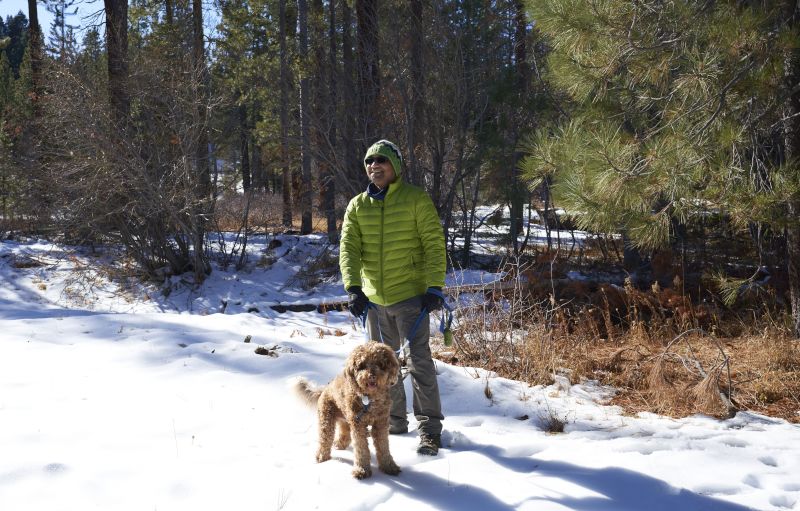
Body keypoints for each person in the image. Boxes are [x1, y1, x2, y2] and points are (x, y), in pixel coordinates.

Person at [339, 139, 446, 456]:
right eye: (370, 162)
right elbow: (349, 249)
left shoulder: (416, 200)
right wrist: (354, 288)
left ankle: (429, 430)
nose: (375, 166)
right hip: (374, 303)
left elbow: (433, 244)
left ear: (395, 166)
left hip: (411, 297)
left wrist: (434, 288)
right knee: (384, 367)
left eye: (381, 161)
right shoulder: (358, 205)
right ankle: (394, 422)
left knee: (419, 363)